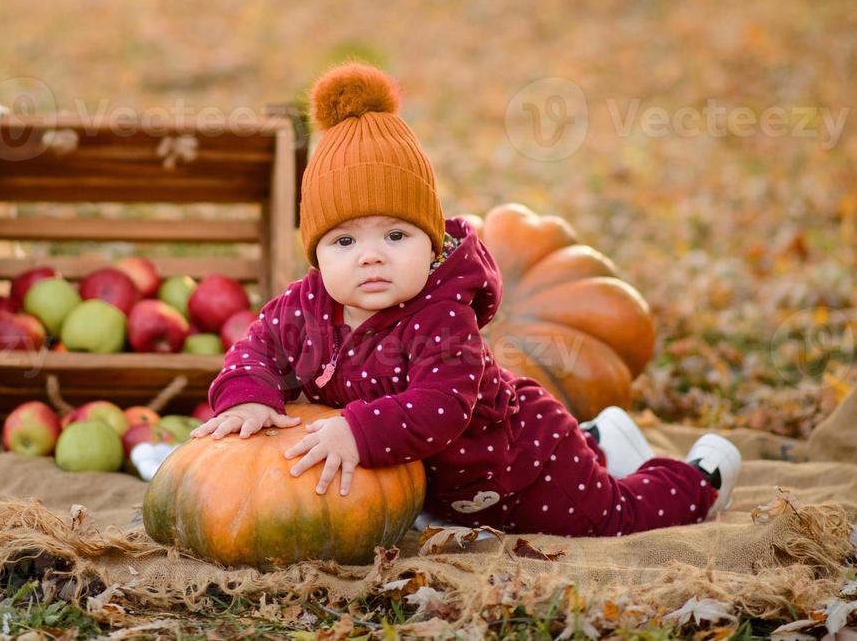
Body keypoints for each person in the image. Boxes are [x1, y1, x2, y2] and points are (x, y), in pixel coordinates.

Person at [190, 62, 741, 537]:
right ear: (316, 253)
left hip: (519, 464)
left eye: (396, 235)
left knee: (607, 517)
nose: (371, 256)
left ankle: (698, 481)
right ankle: (603, 438)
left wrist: (358, 430)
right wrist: (247, 395)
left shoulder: (442, 315)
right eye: (345, 240)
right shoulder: (304, 307)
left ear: (432, 242)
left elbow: (442, 406)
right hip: (439, 491)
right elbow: (257, 347)